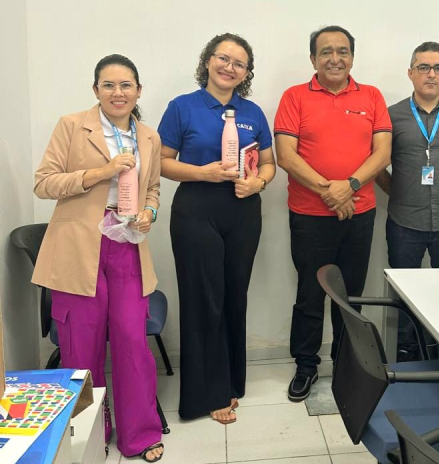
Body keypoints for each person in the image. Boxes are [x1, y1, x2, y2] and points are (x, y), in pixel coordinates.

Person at [33, 54, 164, 462]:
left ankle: (139, 435)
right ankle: (87, 436)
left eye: (126, 85)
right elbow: (44, 183)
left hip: (127, 244)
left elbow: (153, 188)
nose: (117, 92)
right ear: (96, 90)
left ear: (138, 91)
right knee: (81, 346)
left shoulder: (149, 137)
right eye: (108, 85)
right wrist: (100, 173)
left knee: (132, 342)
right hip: (78, 246)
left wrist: (149, 212)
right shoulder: (72, 126)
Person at [158, 33, 275, 424]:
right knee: (203, 299)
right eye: (223, 58)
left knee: (234, 297)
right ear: (208, 60)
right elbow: (161, 162)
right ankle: (206, 394)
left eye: (239, 63)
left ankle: (230, 380)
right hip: (196, 210)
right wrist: (202, 173)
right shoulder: (182, 107)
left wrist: (258, 183)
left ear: (246, 73)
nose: (229, 67)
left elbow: (269, 164)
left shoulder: (253, 112)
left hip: (243, 211)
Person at [274, 25, 392, 401]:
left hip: (360, 214)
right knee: (310, 294)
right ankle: (306, 365)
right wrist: (331, 191)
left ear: (352, 58)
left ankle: (346, 365)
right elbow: (286, 156)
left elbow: (383, 153)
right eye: (326, 51)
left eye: (343, 51)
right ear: (313, 59)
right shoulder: (294, 97)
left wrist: (350, 186)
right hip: (310, 216)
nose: (335, 58)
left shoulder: (372, 96)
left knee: (351, 295)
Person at [376, 42, 439, 361]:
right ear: (411, 73)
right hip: (404, 222)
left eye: (438, 68)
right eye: (423, 67)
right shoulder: (391, 115)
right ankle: (405, 356)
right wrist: (401, 193)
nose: (431, 74)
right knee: (403, 292)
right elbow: (377, 165)